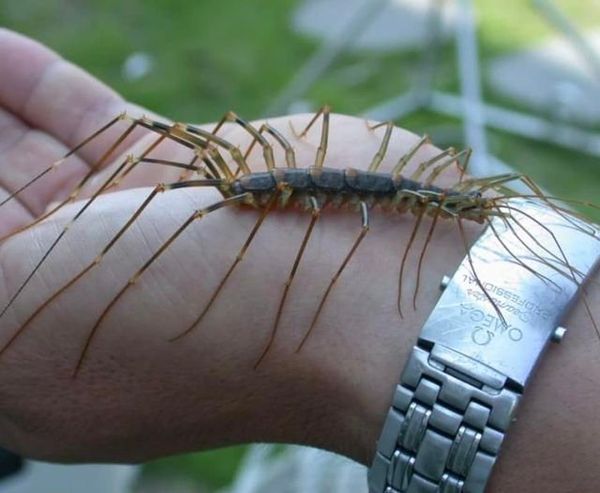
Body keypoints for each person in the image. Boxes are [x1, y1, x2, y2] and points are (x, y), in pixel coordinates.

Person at [0, 28, 598, 492]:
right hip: (272, 185)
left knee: (161, 163)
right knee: (165, 171)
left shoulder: (427, 206)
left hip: (310, 180)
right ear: (439, 207)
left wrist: (303, 320)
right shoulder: (415, 206)